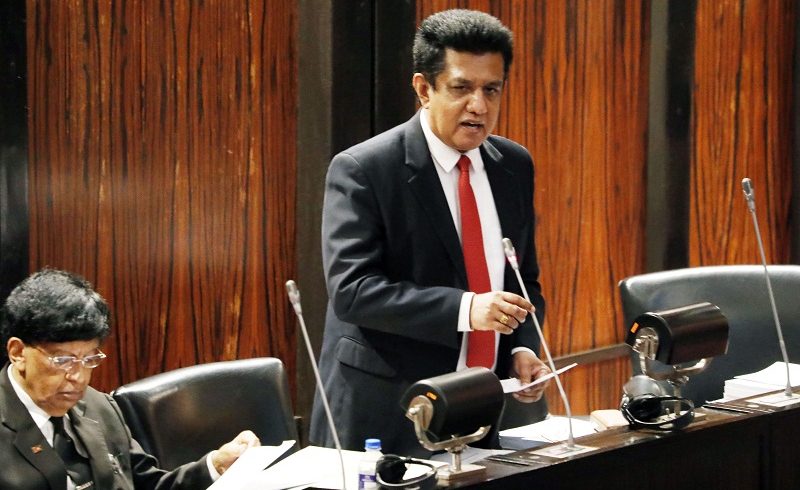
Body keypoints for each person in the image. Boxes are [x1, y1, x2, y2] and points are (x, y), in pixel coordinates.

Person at [311, 9, 551, 456]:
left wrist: (521, 348)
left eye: (492, 89)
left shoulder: (514, 166)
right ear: (424, 89)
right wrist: (467, 308)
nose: (479, 106)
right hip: (389, 411)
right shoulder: (365, 169)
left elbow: (522, 280)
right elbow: (353, 292)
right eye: (461, 88)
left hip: (478, 404)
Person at [0, 268, 260, 490]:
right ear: (18, 353)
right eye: (63, 360)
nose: (78, 377)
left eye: (89, 359)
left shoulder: (99, 406)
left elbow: (145, 484)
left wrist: (215, 466)